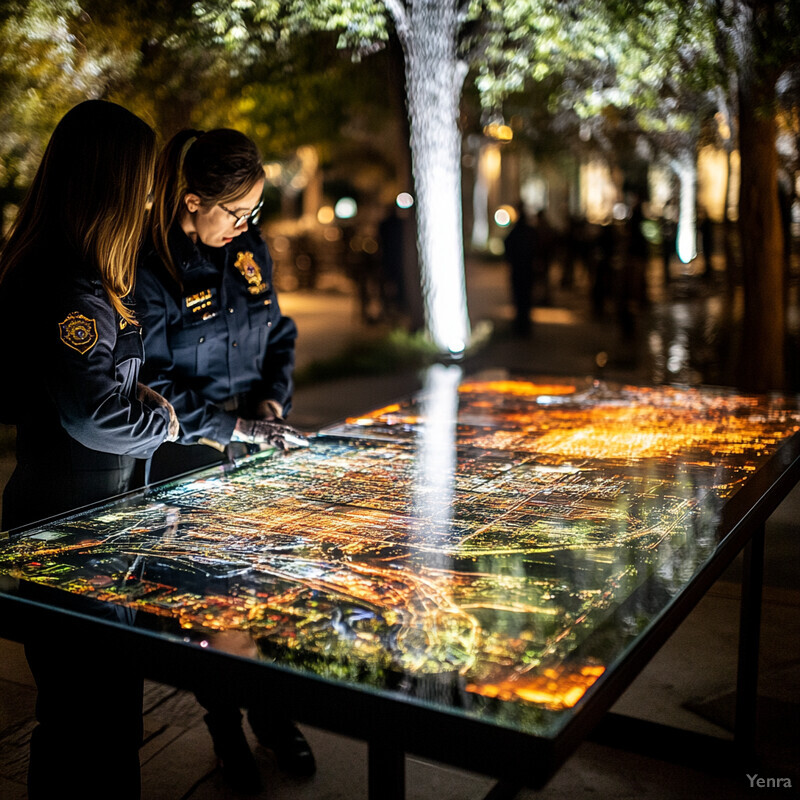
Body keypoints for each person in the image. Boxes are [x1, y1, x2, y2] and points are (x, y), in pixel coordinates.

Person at [0, 100, 179, 799]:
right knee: (86, 726)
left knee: (95, 721)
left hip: (85, 521)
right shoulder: (70, 284)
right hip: (72, 530)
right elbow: (92, 413)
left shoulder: (72, 271)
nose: (146, 196)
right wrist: (159, 427)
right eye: (139, 180)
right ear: (107, 182)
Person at [135, 127, 313, 793]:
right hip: (191, 462)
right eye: (235, 212)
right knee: (208, 606)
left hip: (256, 456)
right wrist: (232, 424)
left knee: (268, 593)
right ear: (190, 202)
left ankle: (276, 716)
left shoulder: (247, 252)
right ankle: (223, 726)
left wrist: (272, 402)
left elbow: (280, 332)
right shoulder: (155, 273)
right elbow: (154, 384)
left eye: (253, 214)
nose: (245, 226)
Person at [503, 204, 537, 337]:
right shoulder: (528, 232)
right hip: (525, 270)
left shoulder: (517, 232)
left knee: (520, 298)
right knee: (525, 298)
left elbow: (507, 245)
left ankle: (521, 325)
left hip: (520, 270)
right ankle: (524, 325)